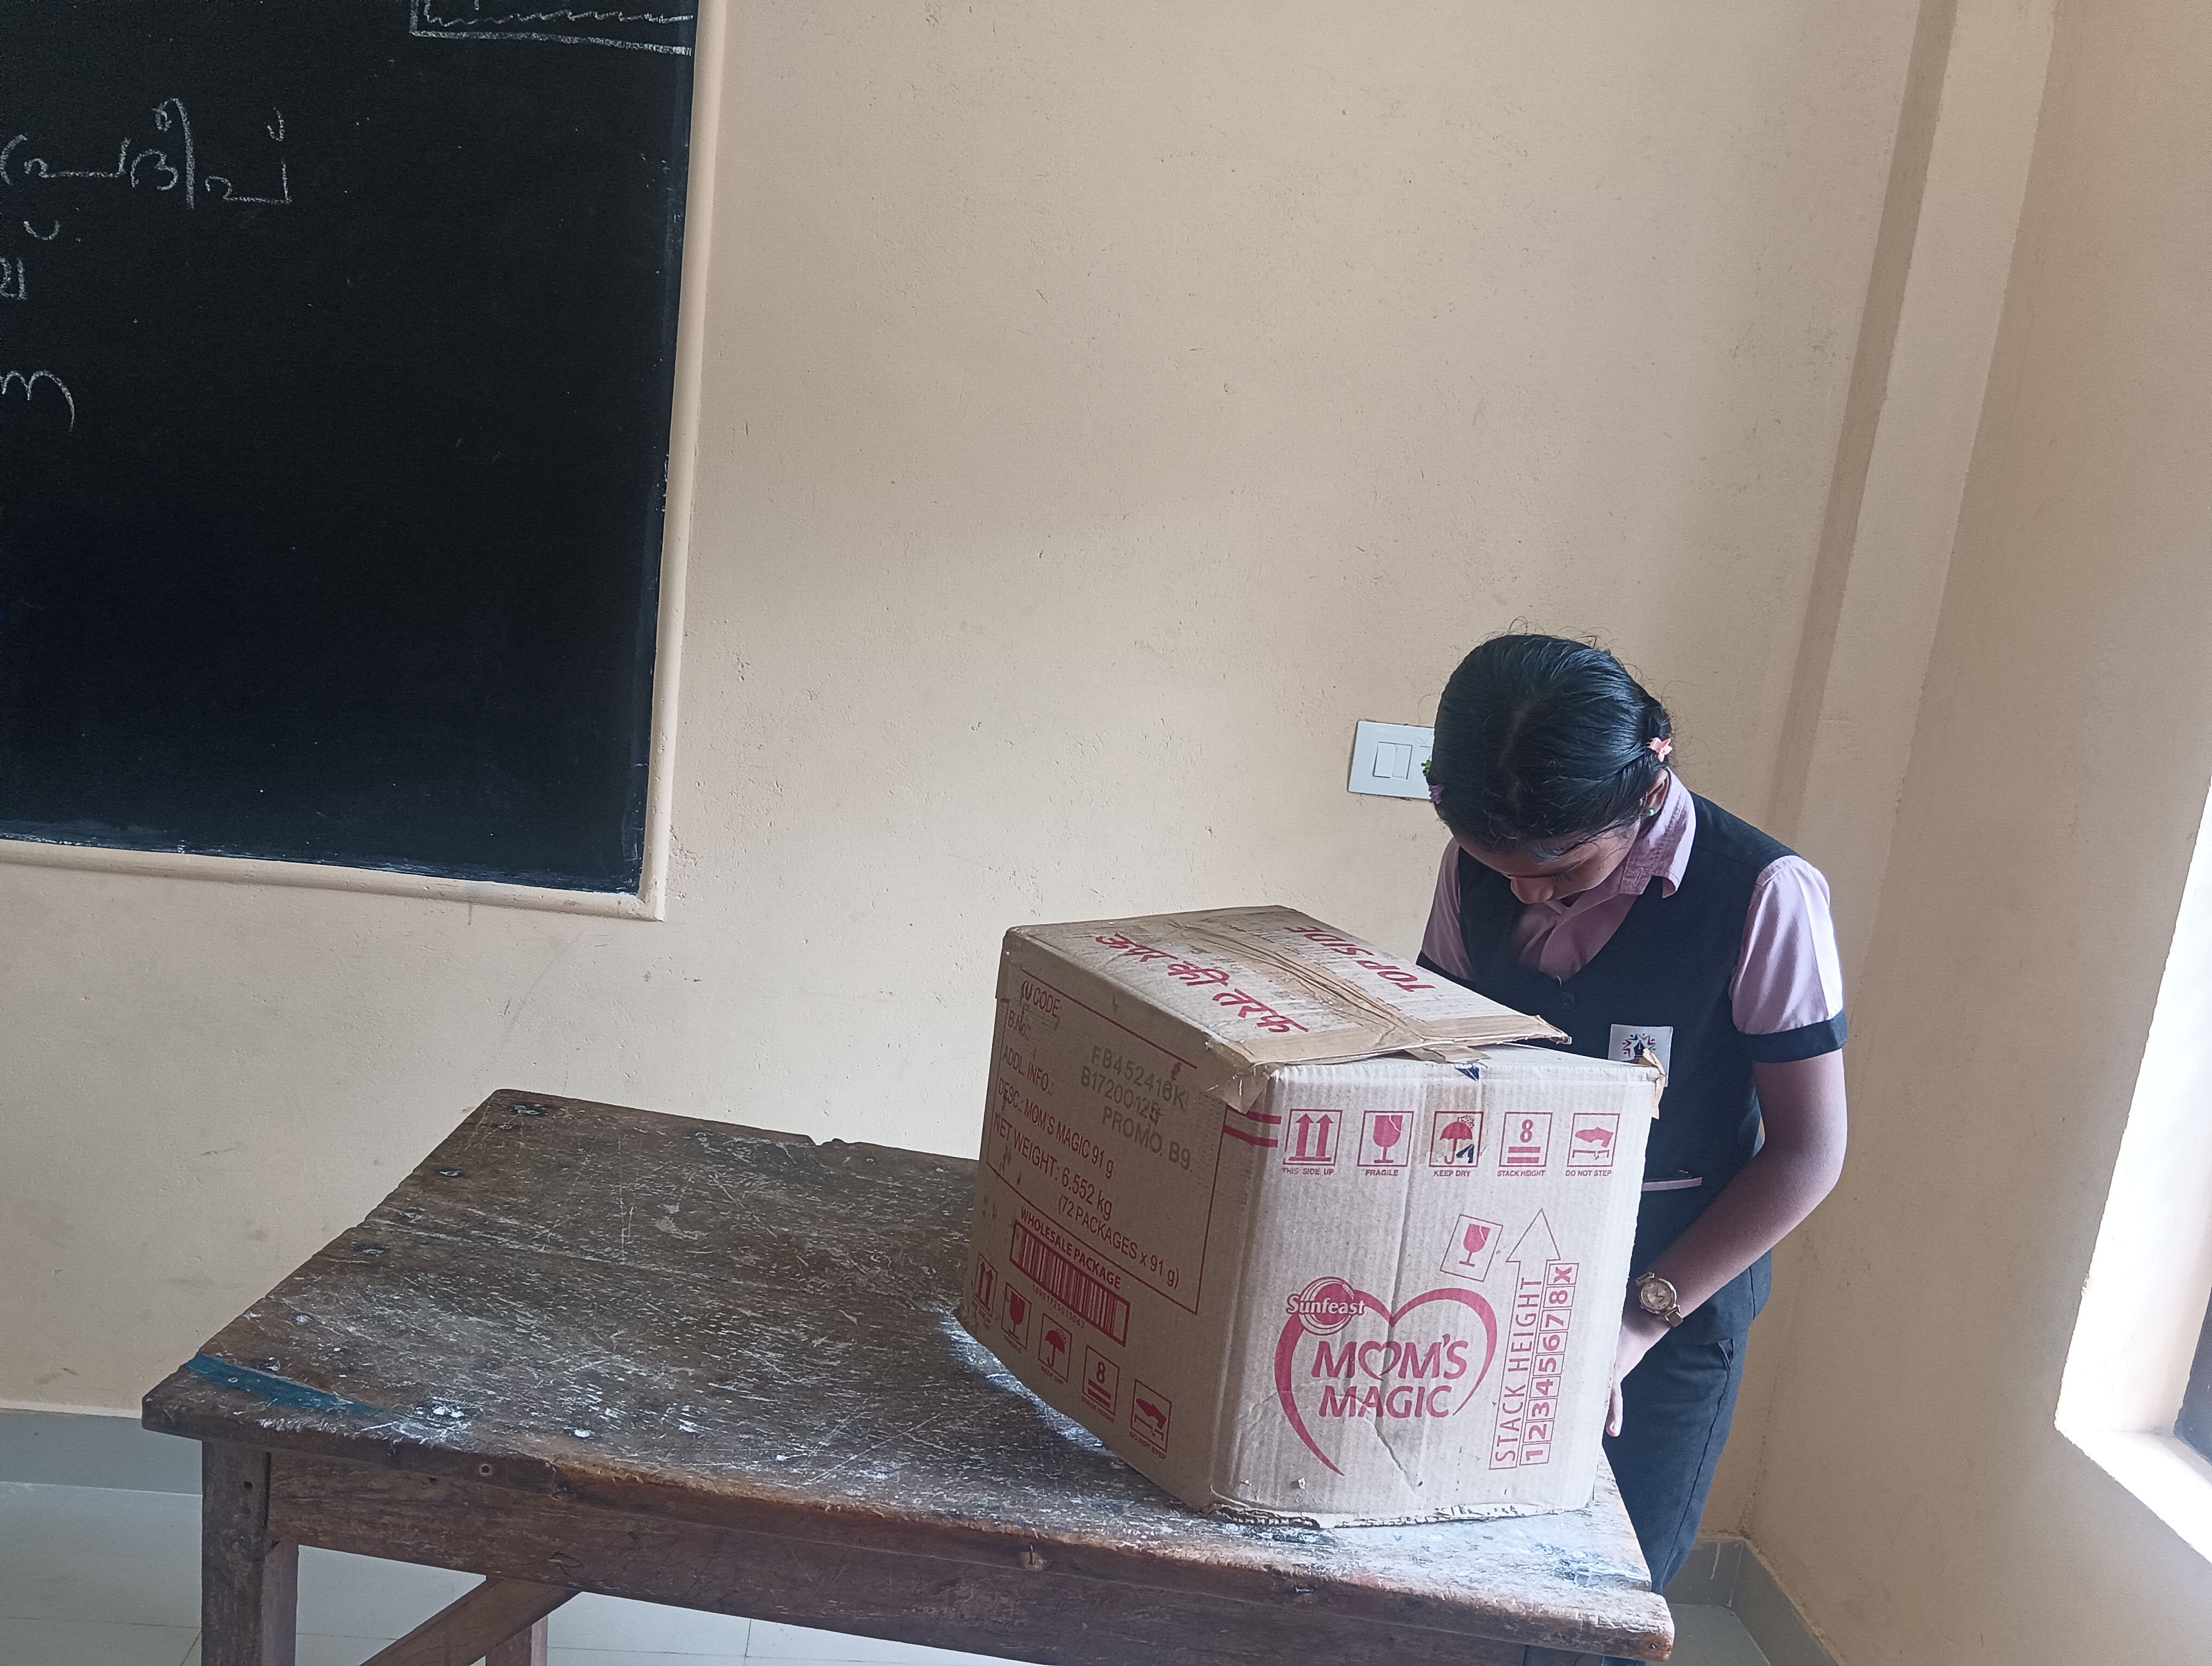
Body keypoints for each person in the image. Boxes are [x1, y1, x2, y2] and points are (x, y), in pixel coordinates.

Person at [1415, 634, 1848, 1651]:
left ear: (1650, 788)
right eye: (1503, 870)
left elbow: (1808, 1154)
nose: (1529, 895)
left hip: (1671, 1295)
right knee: (1452, 1584)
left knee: (1594, 1610)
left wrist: (1636, 1326)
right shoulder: (1477, 866)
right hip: (1491, 1274)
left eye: (1564, 869)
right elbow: (1440, 1059)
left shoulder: (1763, 895)